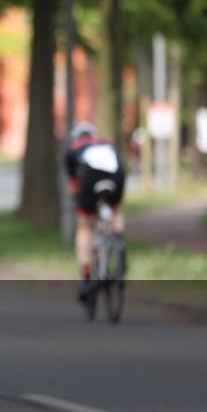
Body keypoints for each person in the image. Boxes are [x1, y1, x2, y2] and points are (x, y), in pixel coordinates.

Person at [64, 121, 127, 302]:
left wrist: (77, 196)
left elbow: (73, 186)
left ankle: (85, 273)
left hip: (92, 177)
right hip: (117, 175)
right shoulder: (107, 143)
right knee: (116, 209)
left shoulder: (73, 149)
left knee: (85, 225)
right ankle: (117, 239)